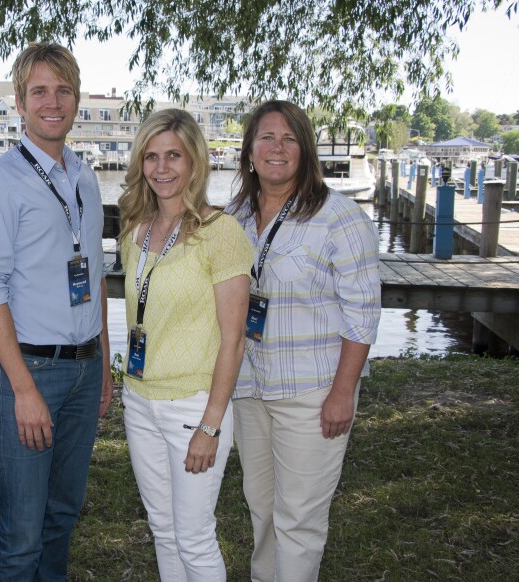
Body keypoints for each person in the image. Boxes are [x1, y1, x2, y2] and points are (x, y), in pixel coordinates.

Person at [0, 42, 113, 581]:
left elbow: (94, 271)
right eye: (40, 91)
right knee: (22, 534)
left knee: (62, 517)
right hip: (29, 372)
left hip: (84, 367)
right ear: (21, 104)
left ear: (77, 99)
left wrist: (103, 361)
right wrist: (23, 387)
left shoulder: (85, 175)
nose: (53, 102)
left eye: (63, 90)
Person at [227, 100, 381, 582]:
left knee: (299, 519)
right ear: (250, 150)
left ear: (306, 150)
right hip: (249, 388)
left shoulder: (339, 217)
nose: (277, 147)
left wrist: (342, 394)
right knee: (262, 509)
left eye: (289, 138)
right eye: (266, 138)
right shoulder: (232, 218)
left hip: (312, 392)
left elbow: (363, 314)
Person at [117, 108, 252, 581]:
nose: (162, 168)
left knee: (194, 535)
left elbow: (233, 340)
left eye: (173, 155)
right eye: (151, 156)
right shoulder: (135, 230)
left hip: (193, 406)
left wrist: (210, 425)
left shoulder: (222, 233)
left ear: (194, 161)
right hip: (139, 400)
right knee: (162, 528)